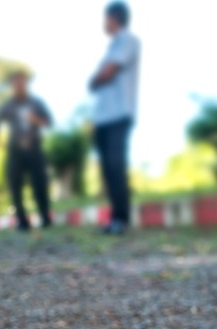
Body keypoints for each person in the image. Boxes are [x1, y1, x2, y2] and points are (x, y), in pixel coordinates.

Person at [90, 1, 140, 235]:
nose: (103, 24)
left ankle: (122, 217)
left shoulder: (128, 40)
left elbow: (108, 73)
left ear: (115, 18)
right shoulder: (112, 46)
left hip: (118, 114)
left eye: (105, 18)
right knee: (107, 171)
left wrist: (95, 79)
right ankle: (115, 217)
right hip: (103, 117)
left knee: (115, 164)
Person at [0, 71, 53, 232]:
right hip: (15, 150)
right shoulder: (8, 105)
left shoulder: (36, 103)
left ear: (26, 84)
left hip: (34, 148)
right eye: (15, 83)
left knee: (40, 183)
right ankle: (22, 221)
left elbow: (49, 122)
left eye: (22, 82)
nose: (19, 86)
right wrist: (0, 143)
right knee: (14, 184)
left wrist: (36, 120)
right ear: (12, 86)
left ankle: (45, 217)